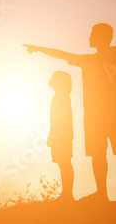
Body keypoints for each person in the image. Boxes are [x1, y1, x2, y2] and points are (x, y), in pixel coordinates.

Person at [23, 23, 116, 202]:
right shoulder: (89, 60)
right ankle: (102, 194)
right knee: (98, 152)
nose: (89, 37)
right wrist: (39, 49)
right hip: (93, 115)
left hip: (113, 112)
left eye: (93, 34)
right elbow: (62, 55)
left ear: (103, 36)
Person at [47, 71, 75, 201]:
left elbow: (58, 120)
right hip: (63, 136)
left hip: (61, 136)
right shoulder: (61, 96)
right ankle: (67, 193)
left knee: (65, 163)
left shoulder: (60, 97)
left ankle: (67, 194)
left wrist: (52, 137)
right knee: (64, 163)